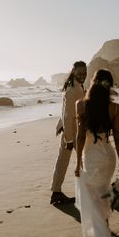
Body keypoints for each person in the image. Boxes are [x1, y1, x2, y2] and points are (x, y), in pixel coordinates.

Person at [74, 69, 119, 237]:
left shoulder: (81, 106)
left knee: (93, 200)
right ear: (109, 85)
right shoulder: (115, 108)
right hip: (108, 157)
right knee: (103, 197)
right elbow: (118, 138)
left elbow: (81, 136)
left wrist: (76, 164)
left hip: (91, 158)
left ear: (93, 83)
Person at [50, 61, 87, 204]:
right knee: (67, 161)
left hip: (76, 130)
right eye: (79, 73)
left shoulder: (77, 86)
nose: (82, 75)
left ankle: (58, 192)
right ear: (73, 72)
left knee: (79, 160)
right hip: (72, 133)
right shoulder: (72, 90)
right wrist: (69, 139)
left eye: (84, 72)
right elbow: (67, 115)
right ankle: (56, 193)